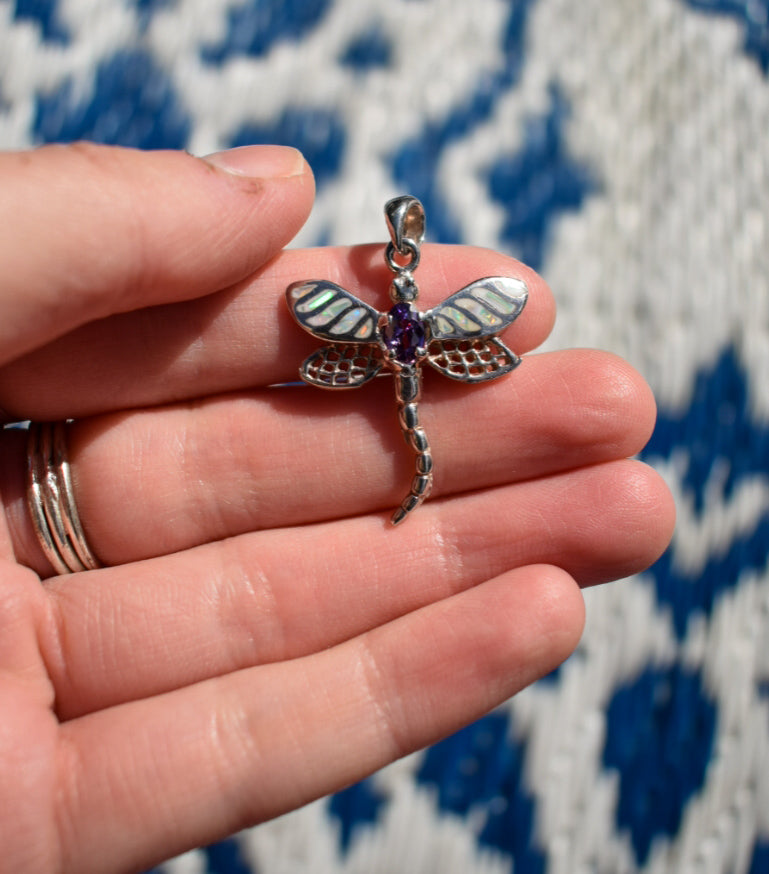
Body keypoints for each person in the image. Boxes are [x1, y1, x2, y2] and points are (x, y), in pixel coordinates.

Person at [0, 143, 674, 873]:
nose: (406, 318)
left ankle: (416, 477)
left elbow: (357, 321)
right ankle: (415, 477)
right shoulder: (399, 325)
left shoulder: (396, 327)